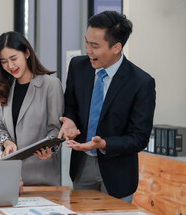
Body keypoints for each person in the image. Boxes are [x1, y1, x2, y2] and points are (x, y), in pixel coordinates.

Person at [58, 11, 156, 203]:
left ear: (116, 47)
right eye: (86, 42)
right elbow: (71, 106)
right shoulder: (78, 66)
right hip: (82, 165)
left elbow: (139, 137)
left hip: (118, 172)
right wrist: (69, 120)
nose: (87, 50)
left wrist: (103, 144)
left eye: (95, 46)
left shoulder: (141, 83)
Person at [0, 31, 64, 186]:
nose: (10, 66)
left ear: (27, 53)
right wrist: (7, 142)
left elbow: (56, 129)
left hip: (43, 178)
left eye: (14, 58)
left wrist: (50, 148)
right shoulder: (5, 87)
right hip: (11, 179)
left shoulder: (51, 85)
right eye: (3, 61)